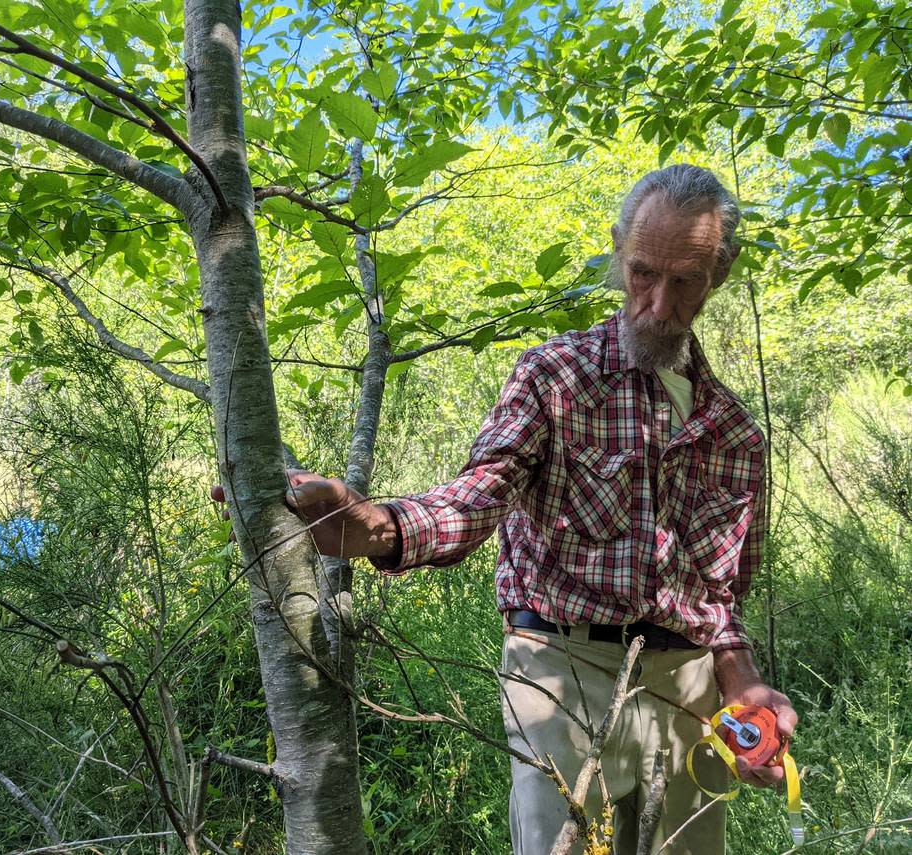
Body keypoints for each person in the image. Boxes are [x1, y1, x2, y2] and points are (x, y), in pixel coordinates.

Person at [215, 164, 797, 853]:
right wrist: (379, 526)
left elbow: (718, 595)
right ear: (618, 252)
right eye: (642, 273)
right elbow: (479, 494)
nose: (658, 305)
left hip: (688, 686)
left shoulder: (736, 434)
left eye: (685, 282)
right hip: (562, 668)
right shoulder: (554, 377)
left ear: (719, 275)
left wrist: (745, 680)